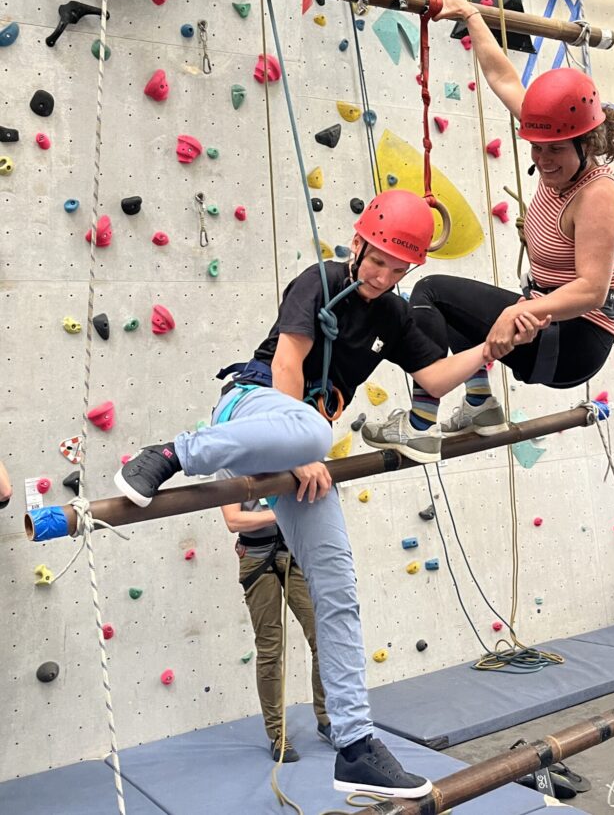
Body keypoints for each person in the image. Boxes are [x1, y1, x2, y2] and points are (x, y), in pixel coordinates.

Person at [114, 188, 546, 798]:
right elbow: (289, 364)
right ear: (359, 242)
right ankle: (171, 453)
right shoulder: (317, 281)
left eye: (399, 270)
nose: (383, 276)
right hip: (259, 403)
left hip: (302, 440)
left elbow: (432, 378)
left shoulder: (393, 314)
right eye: (378, 262)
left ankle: (354, 744)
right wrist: (305, 449)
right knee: (314, 426)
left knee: (338, 589)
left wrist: (489, 349)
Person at [362, 0, 614, 460]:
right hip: (550, 323)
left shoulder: (597, 194)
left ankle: (422, 423)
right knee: (451, 312)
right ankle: (481, 404)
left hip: (577, 341)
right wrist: (471, 16)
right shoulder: (550, 129)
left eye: (555, 152)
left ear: (585, 142)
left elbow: (590, 290)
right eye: (536, 148)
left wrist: (515, 313)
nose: (542, 161)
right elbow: (503, 76)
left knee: (431, 292)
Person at [218, 471, 332, 763]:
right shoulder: (229, 465)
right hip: (256, 557)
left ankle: (327, 719)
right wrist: (279, 513)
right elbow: (234, 521)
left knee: (323, 637)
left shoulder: (284, 453)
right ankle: (277, 734)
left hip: (293, 550)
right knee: (270, 648)